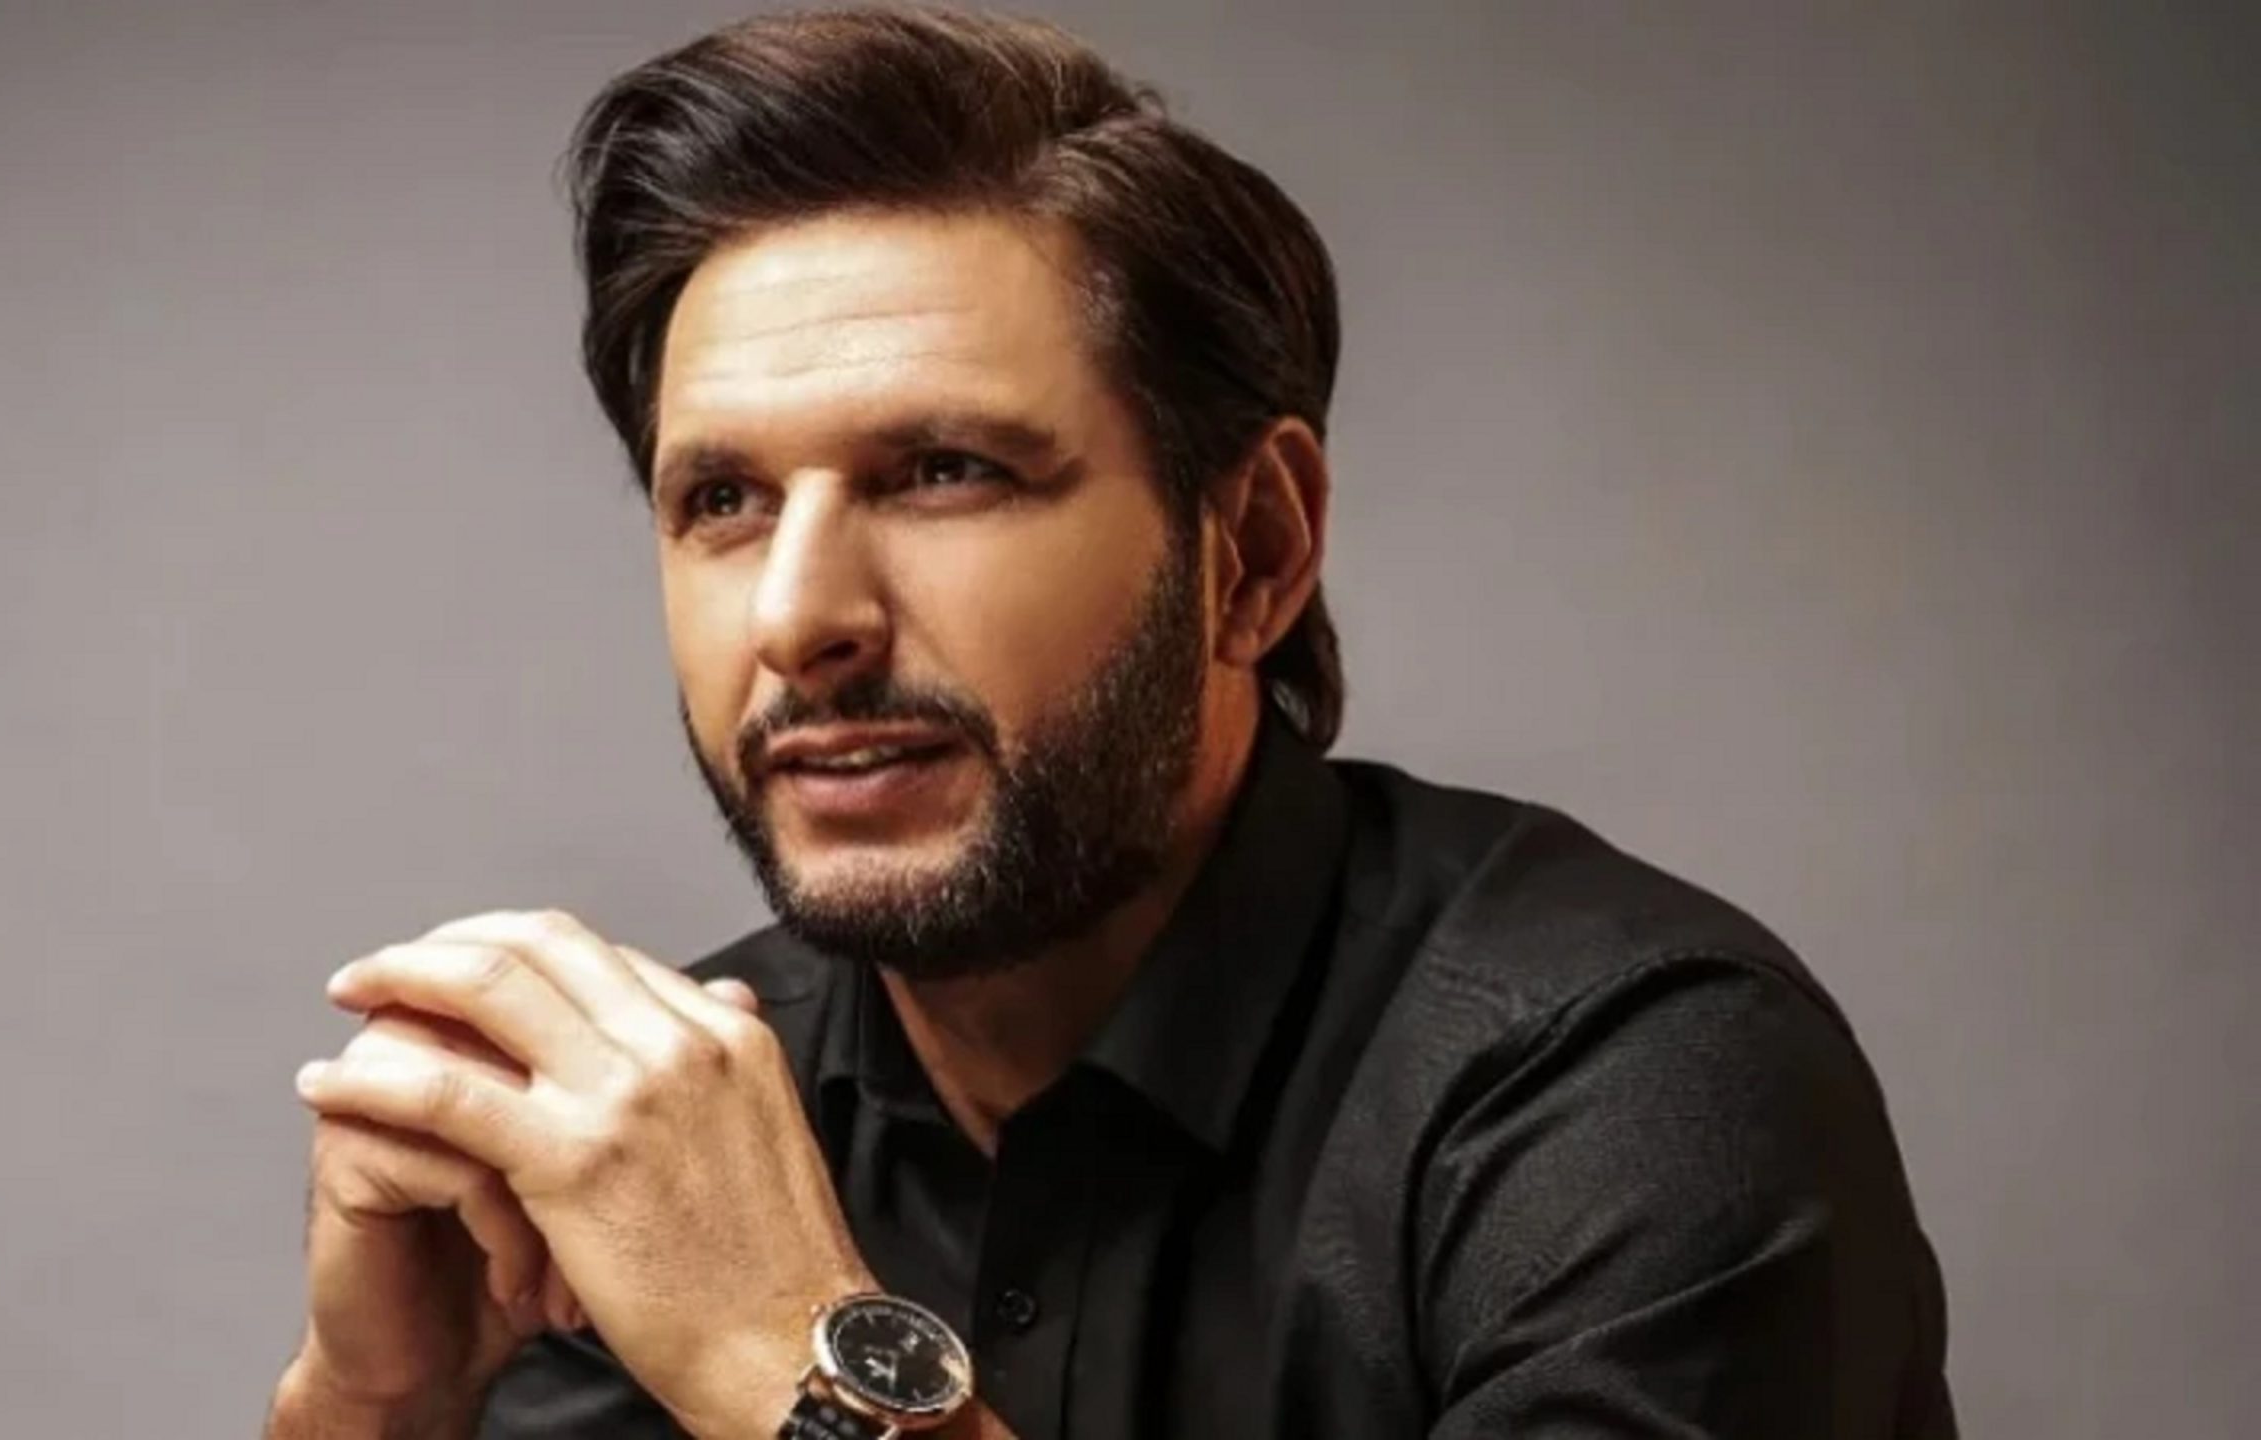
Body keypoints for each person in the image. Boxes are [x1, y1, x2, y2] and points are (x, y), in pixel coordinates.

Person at [262, 9, 1956, 1438]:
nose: (797, 616)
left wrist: (788, 1359)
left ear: (1255, 550)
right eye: (722, 500)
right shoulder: (670, 1132)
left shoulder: (1639, 1089)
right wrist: (378, 1404)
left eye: (945, 472)